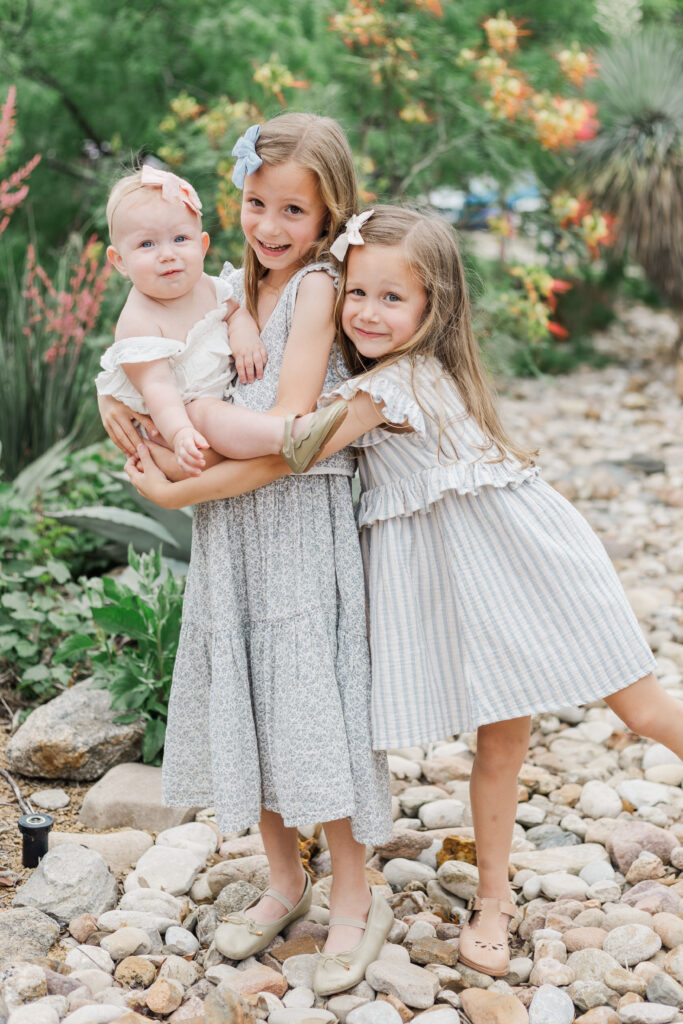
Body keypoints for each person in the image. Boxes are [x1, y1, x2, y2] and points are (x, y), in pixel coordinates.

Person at [125, 205, 683, 981]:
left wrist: (182, 478)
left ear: (432, 305)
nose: (367, 312)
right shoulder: (364, 372)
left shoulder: (398, 382)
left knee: (643, 710)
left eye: (393, 298)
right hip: (461, 582)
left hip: (525, 560)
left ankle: (489, 895)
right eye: (357, 293)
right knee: (498, 742)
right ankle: (492, 899)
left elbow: (296, 449)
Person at [100, 116, 394, 998]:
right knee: (253, 701)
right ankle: (284, 879)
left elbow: (292, 438)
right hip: (233, 536)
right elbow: (149, 345)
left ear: (325, 214)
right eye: (255, 203)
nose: (268, 224)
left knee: (311, 704)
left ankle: (353, 891)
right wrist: (124, 404)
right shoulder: (227, 285)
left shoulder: (312, 289)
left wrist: (176, 482)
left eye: (292, 209)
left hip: (293, 526)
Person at [97, 165, 347, 475]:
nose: (167, 254)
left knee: (212, 413)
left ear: (202, 246)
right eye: (147, 244)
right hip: (170, 427)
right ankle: (288, 436)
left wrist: (244, 335)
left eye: (179, 238)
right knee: (203, 412)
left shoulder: (207, 286)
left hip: (214, 416)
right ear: (119, 260)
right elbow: (158, 387)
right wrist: (180, 435)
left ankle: (284, 436)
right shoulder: (138, 320)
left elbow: (233, 311)